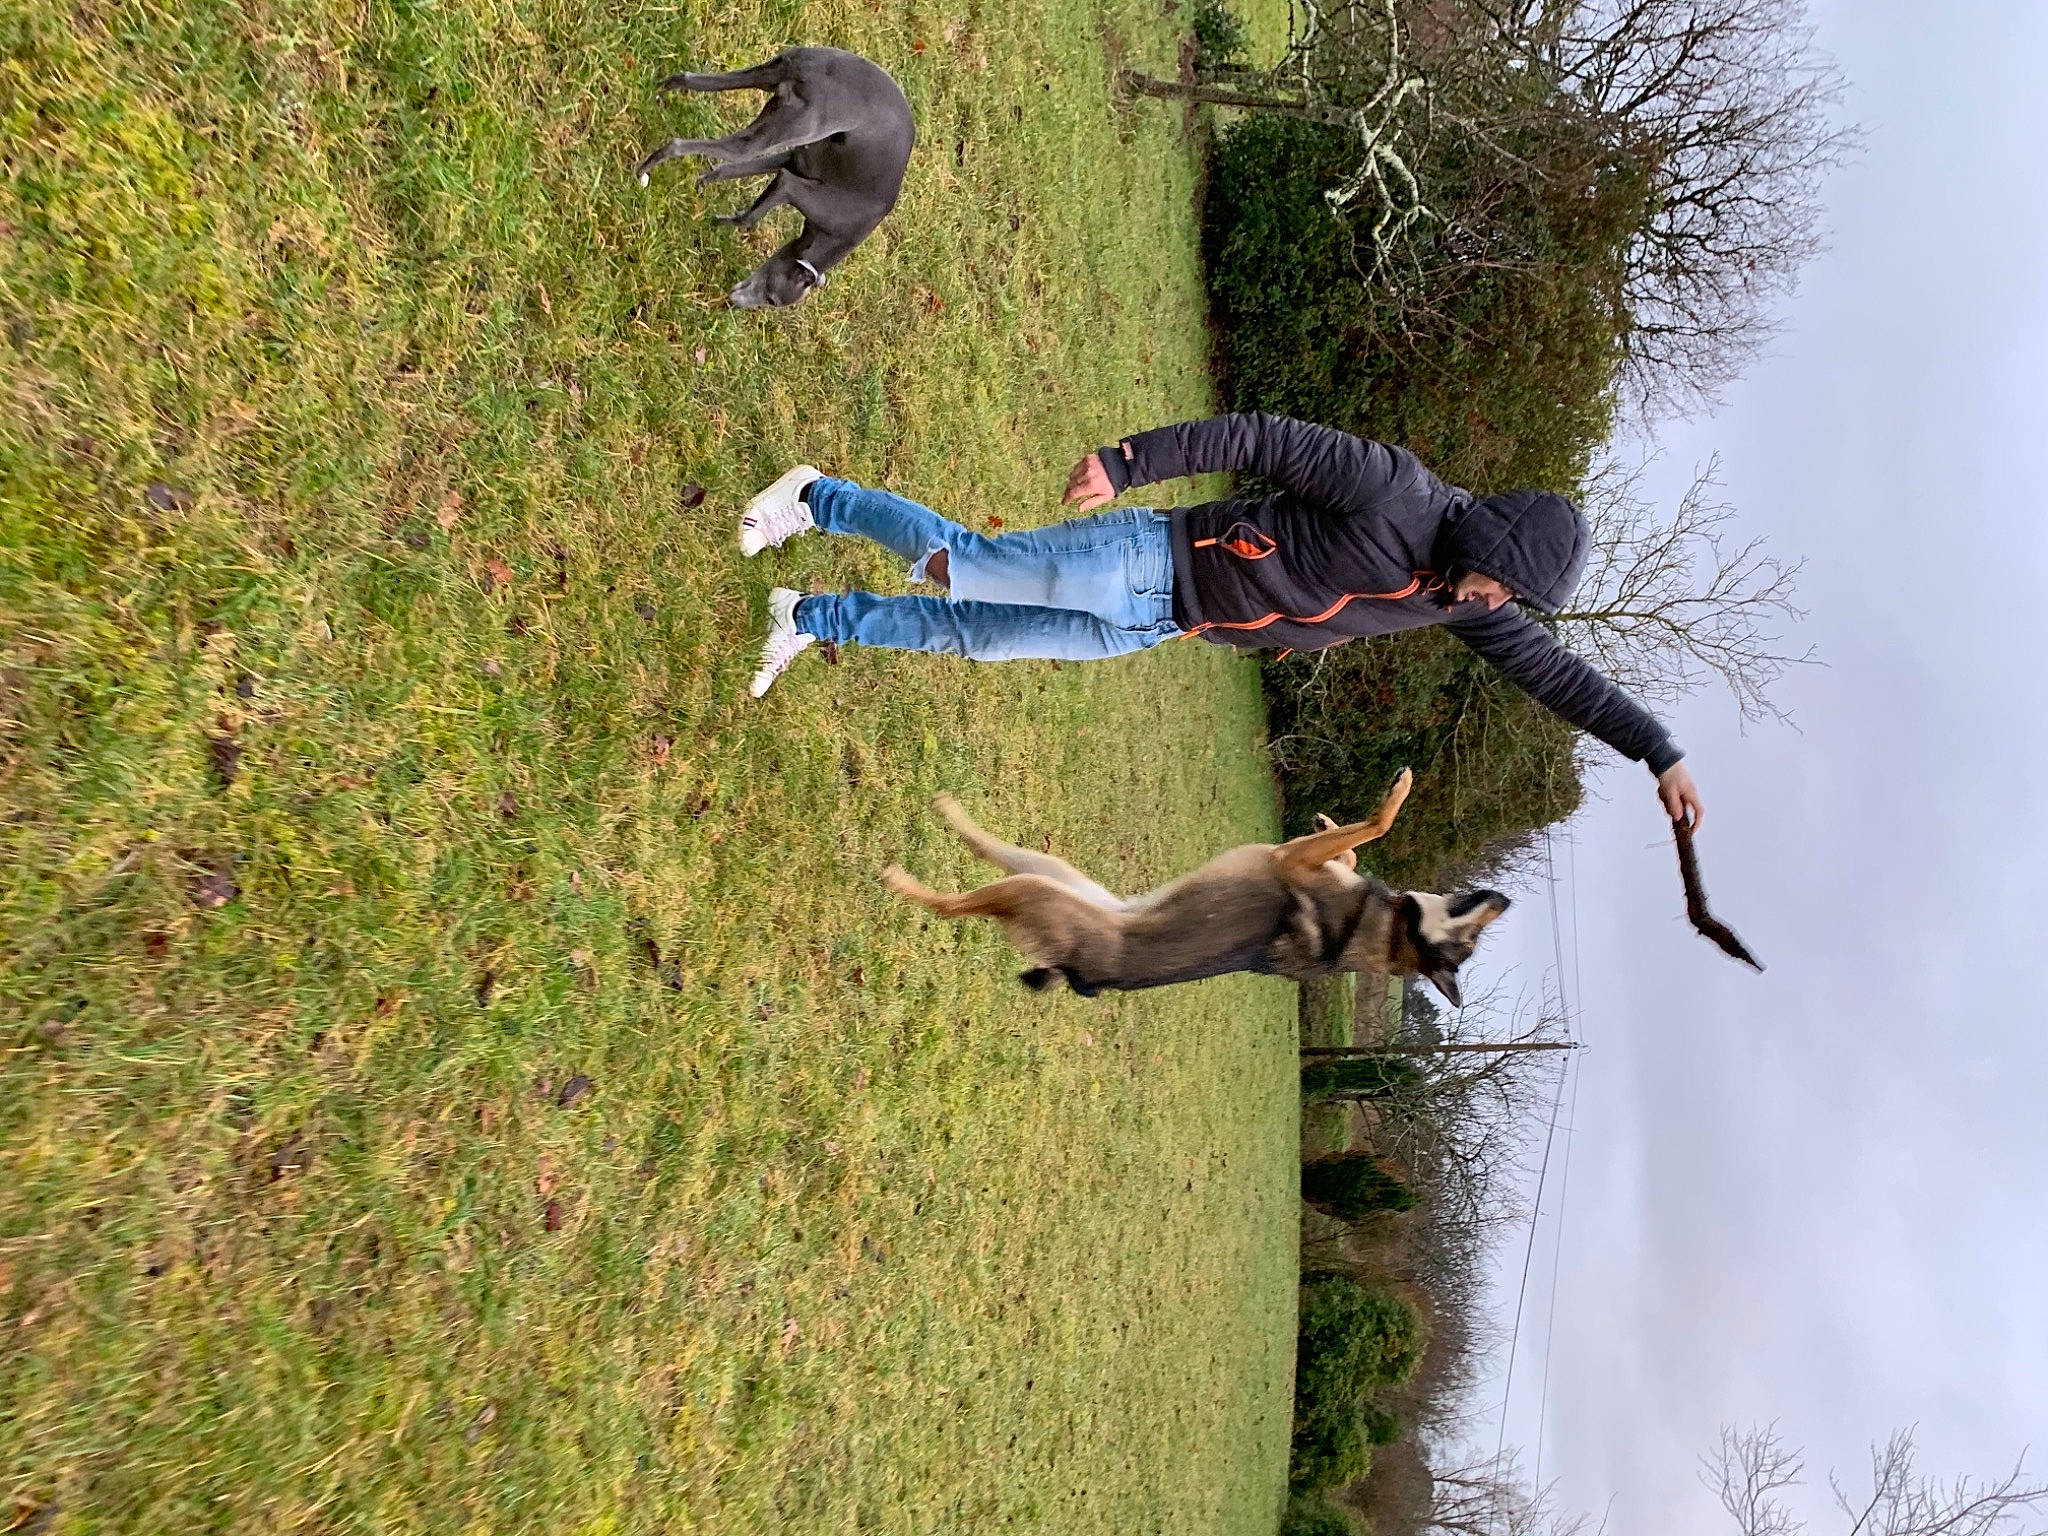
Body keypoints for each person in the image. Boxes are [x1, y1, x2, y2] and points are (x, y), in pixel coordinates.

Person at [740, 411, 1703, 826]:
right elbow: (1260, 440)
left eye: (1510, 605)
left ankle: (814, 615)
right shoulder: (1393, 493)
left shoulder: (1453, 602)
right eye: (1508, 589)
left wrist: (1657, 751)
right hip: (1142, 560)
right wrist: (1127, 463)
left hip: (1162, 622)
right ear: (1494, 549)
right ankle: (820, 497)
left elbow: (1561, 678)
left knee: (974, 634)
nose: (1502, 609)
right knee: (963, 569)